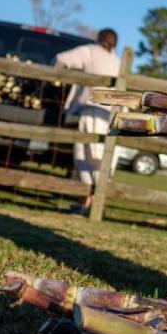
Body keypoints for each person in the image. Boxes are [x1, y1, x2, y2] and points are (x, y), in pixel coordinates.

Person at [55, 28, 122, 211]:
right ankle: (94, 201)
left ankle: (88, 201)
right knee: (104, 159)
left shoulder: (90, 51)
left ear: (99, 39)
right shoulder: (119, 63)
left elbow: (61, 59)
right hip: (113, 115)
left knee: (85, 156)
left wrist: (62, 79)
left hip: (92, 111)